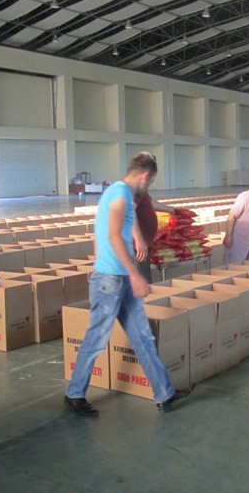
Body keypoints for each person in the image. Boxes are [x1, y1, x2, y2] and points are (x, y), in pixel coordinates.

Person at [65, 152, 191, 416]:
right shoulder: (119, 194)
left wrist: (133, 256)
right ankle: (74, 393)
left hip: (119, 277)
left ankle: (164, 394)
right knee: (97, 339)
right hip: (110, 280)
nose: (149, 186)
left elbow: (113, 230)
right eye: (151, 181)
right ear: (144, 176)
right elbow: (113, 236)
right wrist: (135, 275)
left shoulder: (121, 194)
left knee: (143, 337)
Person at [133, 187, 194, 283]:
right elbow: (128, 212)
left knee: (143, 278)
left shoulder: (140, 190)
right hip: (136, 245)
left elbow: (148, 202)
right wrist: (138, 240)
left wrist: (170, 209)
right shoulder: (133, 190)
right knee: (140, 281)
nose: (152, 181)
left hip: (144, 242)